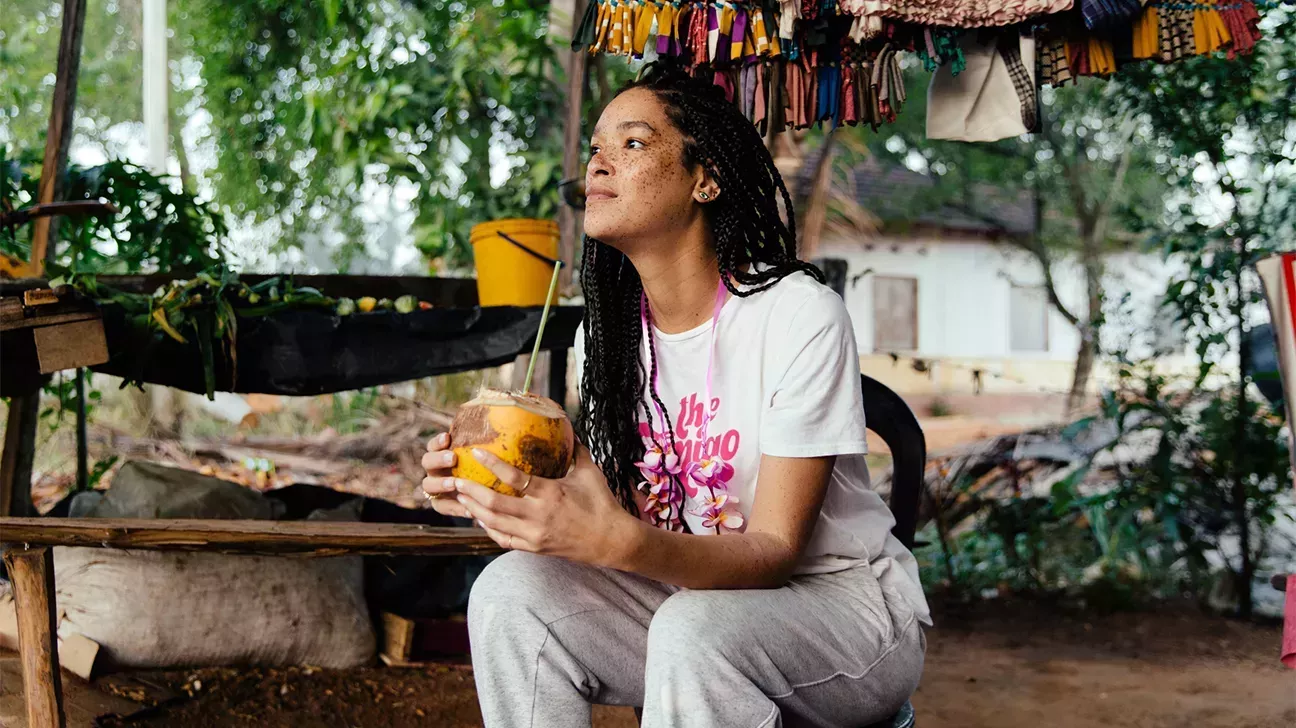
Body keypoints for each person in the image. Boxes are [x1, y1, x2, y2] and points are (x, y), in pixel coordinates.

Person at [421, 61, 930, 728]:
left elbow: (775, 552)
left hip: (846, 615)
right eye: (597, 148)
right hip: (689, 598)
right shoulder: (601, 346)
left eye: (632, 143)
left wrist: (616, 543)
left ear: (705, 177)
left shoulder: (796, 316)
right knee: (510, 592)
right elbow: (614, 505)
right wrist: (496, 487)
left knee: (694, 632)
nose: (600, 163)